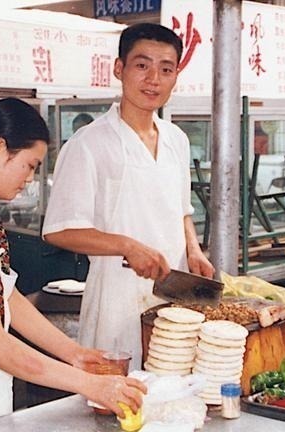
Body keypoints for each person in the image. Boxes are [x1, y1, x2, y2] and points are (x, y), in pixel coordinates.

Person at [0, 98, 146, 432]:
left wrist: (74, 353)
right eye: (30, 165)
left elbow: (8, 298)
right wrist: (90, 385)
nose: (30, 179)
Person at [42, 23, 214, 370]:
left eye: (166, 69)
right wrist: (127, 246)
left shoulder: (176, 139)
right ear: (119, 69)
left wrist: (193, 250)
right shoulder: (89, 143)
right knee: (117, 409)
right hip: (115, 304)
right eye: (142, 65)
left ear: (175, 77)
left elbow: (181, 210)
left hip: (173, 303)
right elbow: (59, 230)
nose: (154, 79)